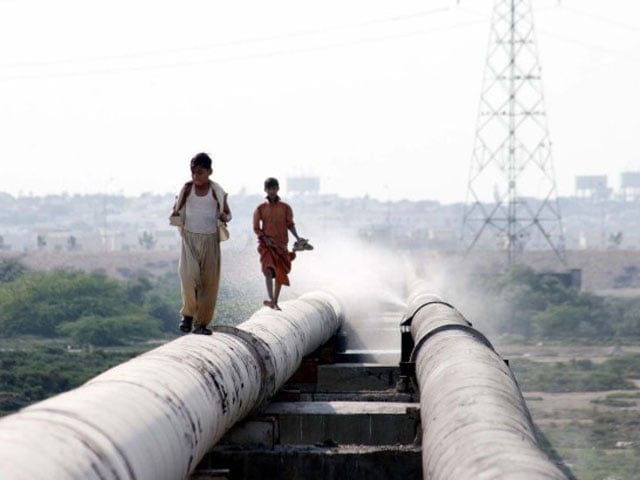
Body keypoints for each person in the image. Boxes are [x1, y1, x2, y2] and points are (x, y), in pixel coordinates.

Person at [170, 152, 231, 335]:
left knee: (208, 284)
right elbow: (176, 208)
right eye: (193, 172)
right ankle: (188, 314)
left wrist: (223, 216)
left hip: (210, 240)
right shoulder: (187, 189)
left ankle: (201, 323)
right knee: (188, 278)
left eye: (200, 172)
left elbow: (228, 213)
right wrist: (173, 213)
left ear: (209, 172)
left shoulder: (216, 191)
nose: (196, 176)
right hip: (189, 239)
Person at [253, 177, 307, 311]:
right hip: (267, 245)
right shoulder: (260, 208)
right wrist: (264, 238)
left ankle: (275, 301)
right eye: (269, 188)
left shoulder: (285, 207)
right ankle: (271, 299)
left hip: (281, 245)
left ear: (278, 189)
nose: (272, 191)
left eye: (274, 188)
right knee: (267, 271)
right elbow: (256, 227)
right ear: (265, 190)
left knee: (279, 273)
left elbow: (290, 224)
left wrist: (298, 237)